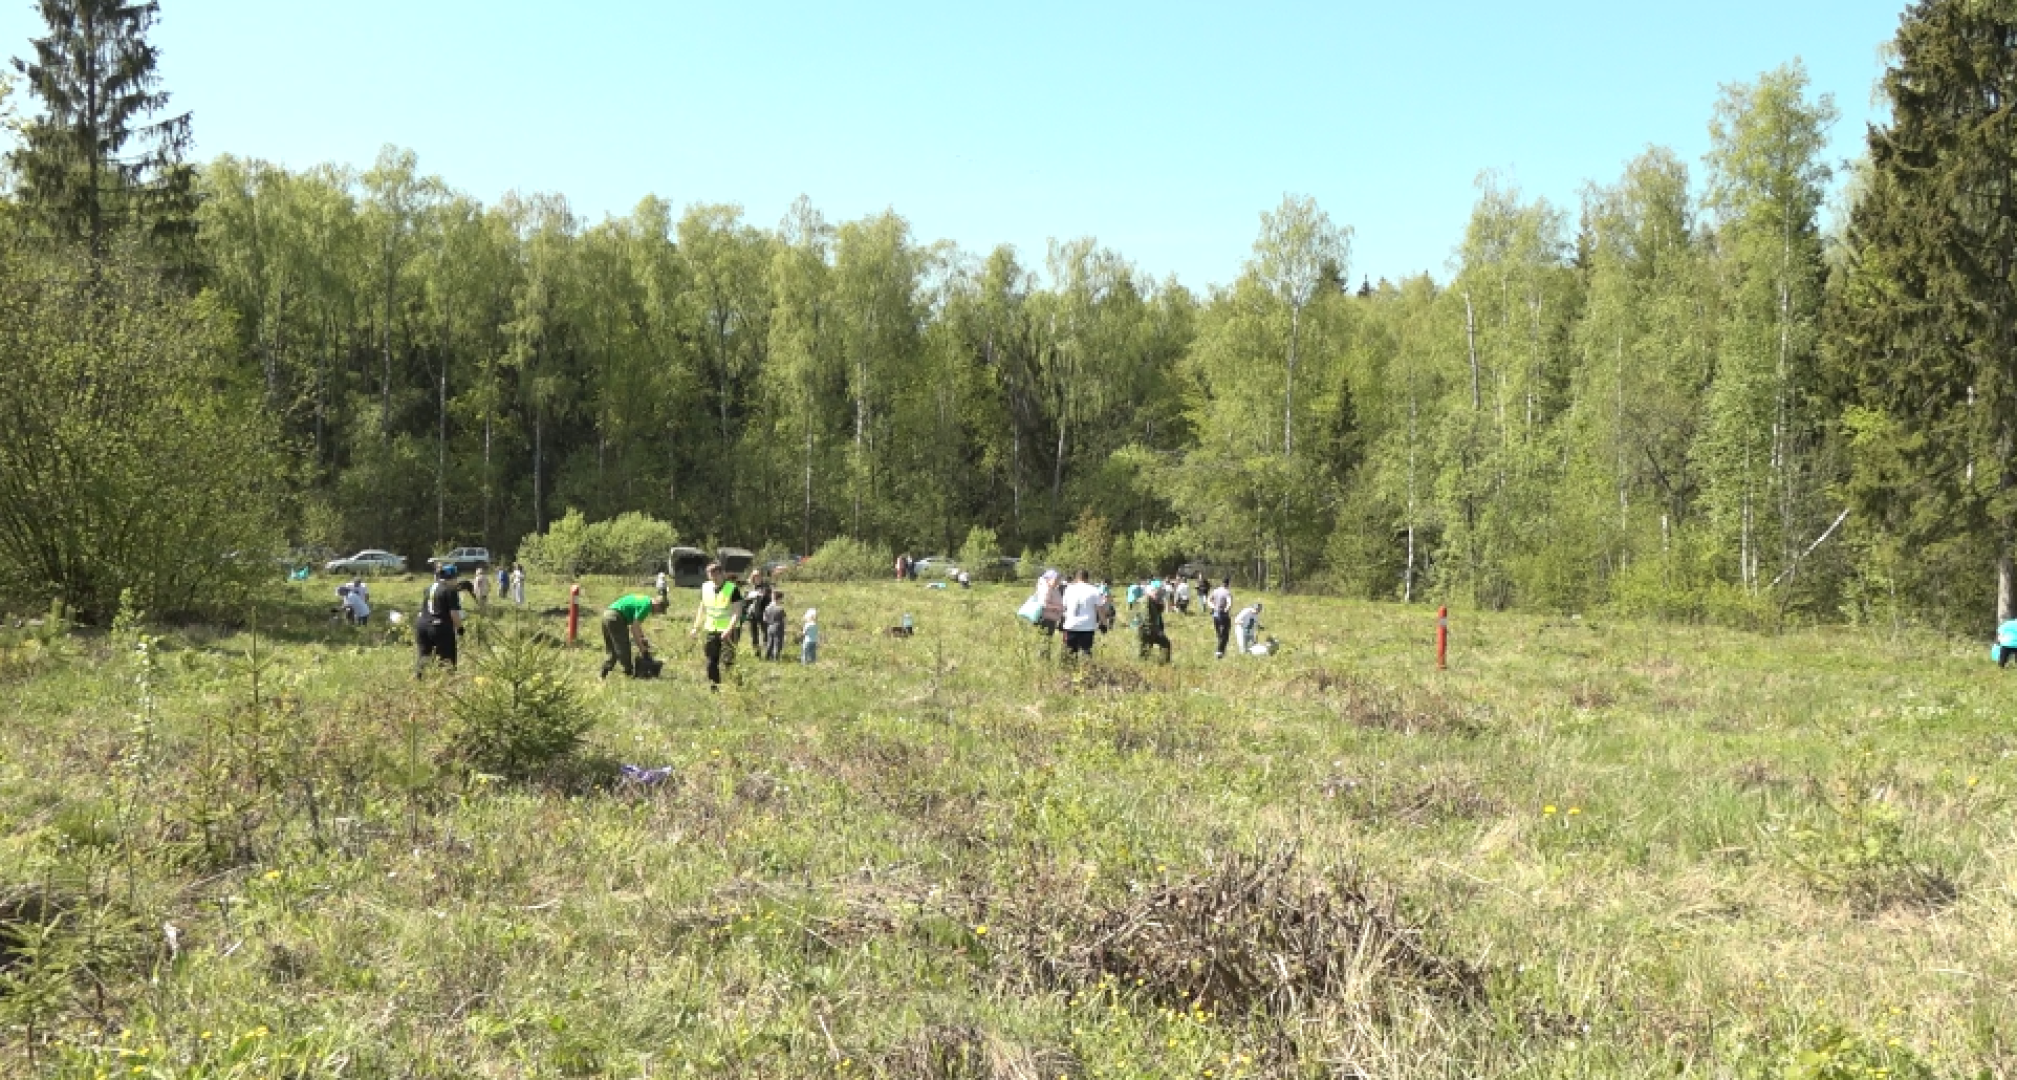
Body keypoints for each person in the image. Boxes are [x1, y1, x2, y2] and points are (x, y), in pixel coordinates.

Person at [690, 562, 744, 689]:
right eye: (710, 575)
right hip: (711, 629)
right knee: (711, 661)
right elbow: (702, 609)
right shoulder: (705, 587)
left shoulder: (732, 589)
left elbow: (737, 612)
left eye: (716, 574)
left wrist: (729, 629)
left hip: (729, 630)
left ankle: (738, 687)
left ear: (722, 574)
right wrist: (695, 627)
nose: (713, 578)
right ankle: (714, 687)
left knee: (728, 661)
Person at [600, 591, 668, 679]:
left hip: (607, 614)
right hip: (616, 618)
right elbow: (634, 629)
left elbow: (636, 625)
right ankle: (629, 672)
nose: (658, 612)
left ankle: (603, 674)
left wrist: (642, 638)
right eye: (659, 610)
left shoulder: (644, 600)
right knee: (623, 646)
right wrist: (644, 651)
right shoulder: (647, 606)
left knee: (612, 648)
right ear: (657, 604)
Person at [414, 567, 467, 678]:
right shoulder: (450, 590)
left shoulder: (429, 588)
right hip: (439, 626)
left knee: (424, 654)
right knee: (447, 657)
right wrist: (460, 629)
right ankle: (448, 681)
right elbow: (454, 614)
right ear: (452, 577)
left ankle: (419, 679)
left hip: (422, 625)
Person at [1060, 569, 1102, 660]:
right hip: (1088, 626)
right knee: (1086, 651)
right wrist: (1104, 623)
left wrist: (1061, 620)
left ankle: (1068, 671)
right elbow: (1099, 609)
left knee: (1069, 651)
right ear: (1087, 578)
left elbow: (1064, 606)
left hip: (1071, 625)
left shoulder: (1069, 589)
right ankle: (1087, 670)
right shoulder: (1094, 590)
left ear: (1076, 578)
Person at [1032, 570, 1065, 657]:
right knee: (1045, 641)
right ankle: (1042, 660)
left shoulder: (1052, 588)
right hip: (1046, 619)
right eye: (1056, 579)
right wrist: (1058, 608)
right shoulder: (1046, 588)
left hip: (1050, 618)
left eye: (1059, 579)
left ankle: (1044, 659)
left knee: (1047, 641)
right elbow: (1044, 604)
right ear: (1049, 578)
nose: (1058, 581)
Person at [1137, 580, 1171, 663]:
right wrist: (1154, 630)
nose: (1159, 595)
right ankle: (1143, 666)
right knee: (1146, 649)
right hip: (1147, 629)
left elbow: (1158, 612)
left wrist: (1160, 603)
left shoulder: (1153, 600)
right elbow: (1146, 617)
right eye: (1157, 592)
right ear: (1151, 591)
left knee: (1164, 644)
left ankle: (1163, 663)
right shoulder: (1145, 600)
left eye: (1160, 593)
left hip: (1153, 628)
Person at [744, 570, 772, 654]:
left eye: (759, 576)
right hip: (751, 614)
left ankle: (767, 651)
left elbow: (766, 596)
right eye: (755, 576)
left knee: (765, 633)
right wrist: (748, 597)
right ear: (752, 577)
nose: (757, 577)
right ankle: (757, 652)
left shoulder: (766, 586)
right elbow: (745, 599)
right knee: (754, 634)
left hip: (763, 613)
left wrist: (757, 594)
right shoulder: (750, 587)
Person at [1207, 578, 1234, 659]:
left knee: (1219, 633)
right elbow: (1229, 603)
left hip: (1215, 615)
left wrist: (1213, 607)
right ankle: (1219, 651)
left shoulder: (1215, 591)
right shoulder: (1227, 592)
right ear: (1228, 584)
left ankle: (1221, 650)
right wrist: (1226, 609)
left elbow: (1209, 600)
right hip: (1223, 615)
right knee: (1225, 634)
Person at [763, 590, 786, 661]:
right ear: (779, 599)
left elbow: (764, 619)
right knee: (777, 643)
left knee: (770, 643)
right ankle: (776, 658)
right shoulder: (780, 609)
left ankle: (767, 657)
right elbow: (784, 620)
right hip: (778, 627)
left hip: (770, 627)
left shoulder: (767, 608)